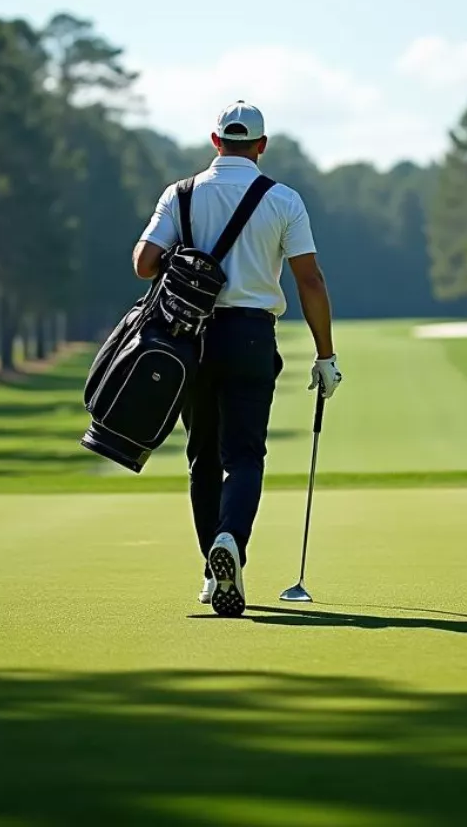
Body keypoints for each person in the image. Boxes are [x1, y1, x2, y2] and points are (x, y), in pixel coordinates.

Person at [133, 101, 342, 617]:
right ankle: (231, 540)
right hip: (250, 336)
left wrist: (186, 256)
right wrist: (325, 355)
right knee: (244, 457)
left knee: (202, 456)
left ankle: (212, 568)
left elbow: (143, 264)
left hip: (189, 339)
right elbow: (309, 280)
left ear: (215, 140)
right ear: (262, 146)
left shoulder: (179, 195)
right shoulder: (283, 199)